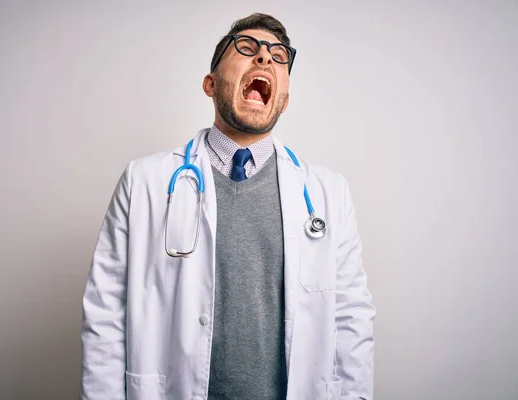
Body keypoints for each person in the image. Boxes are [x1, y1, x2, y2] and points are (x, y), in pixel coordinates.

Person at [80, 12, 375, 400]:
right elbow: (105, 315)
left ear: (284, 98)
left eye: (279, 56)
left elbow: (351, 319)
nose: (265, 59)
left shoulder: (328, 193)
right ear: (211, 83)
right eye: (247, 49)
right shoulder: (144, 182)